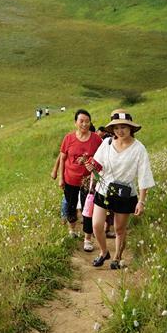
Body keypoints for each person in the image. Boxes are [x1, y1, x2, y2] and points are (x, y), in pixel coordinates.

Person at [83, 109, 154, 270]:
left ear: (131, 128)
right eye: (116, 128)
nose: (120, 131)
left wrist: (141, 201)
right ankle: (103, 252)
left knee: (119, 229)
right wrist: (91, 166)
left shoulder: (139, 149)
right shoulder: (106, 144)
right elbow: (97, 164)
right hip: (104, 189)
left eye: (123, 127)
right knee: (96, 225)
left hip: (125, 194)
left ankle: (117, 257)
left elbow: (144, 176)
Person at [51, 109, 103, 250]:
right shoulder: (68, 138)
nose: (84, 124)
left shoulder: (96, 139)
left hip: (89, 180)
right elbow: (62, 158)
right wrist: (61, 177)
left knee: (88, 209)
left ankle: (87, 238)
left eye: (87, 121)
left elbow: (103, 157)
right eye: (81, 121)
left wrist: (93, 167)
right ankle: (72, 230)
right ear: (75, 123)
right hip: (70, 180)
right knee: (71, 206)